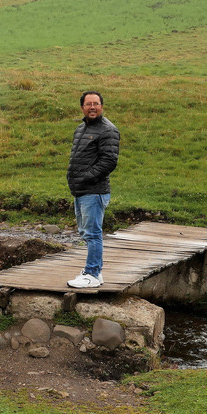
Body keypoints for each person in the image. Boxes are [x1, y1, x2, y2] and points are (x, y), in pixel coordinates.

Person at [65, 90, 120, 289]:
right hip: (81, 190)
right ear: (82, 107)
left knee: (93, 233)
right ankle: (95, 270)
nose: (93, 107)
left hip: (94, 190)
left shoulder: (108, 130)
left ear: (102, 106)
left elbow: (109, 161)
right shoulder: (81, 129)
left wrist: (85, 178)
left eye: (96, 103)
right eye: (88, 104)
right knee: (85, 232)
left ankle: (92, 273)